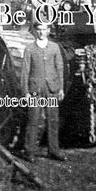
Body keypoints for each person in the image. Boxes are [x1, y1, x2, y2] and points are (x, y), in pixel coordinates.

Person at [20, 22, 66, 162]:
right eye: (39, 29)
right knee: (33, 120)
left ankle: (54, 151)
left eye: (44, 29)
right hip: (36, 90)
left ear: (48, 30)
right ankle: (30, 151)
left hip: (52, 89)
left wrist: (61, 88)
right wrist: (26, 92)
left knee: (53, 120)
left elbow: (59, 69)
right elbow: (25, 72)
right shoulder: (30, 49)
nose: (41, 32)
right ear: (35, 31)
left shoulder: (54, 47)